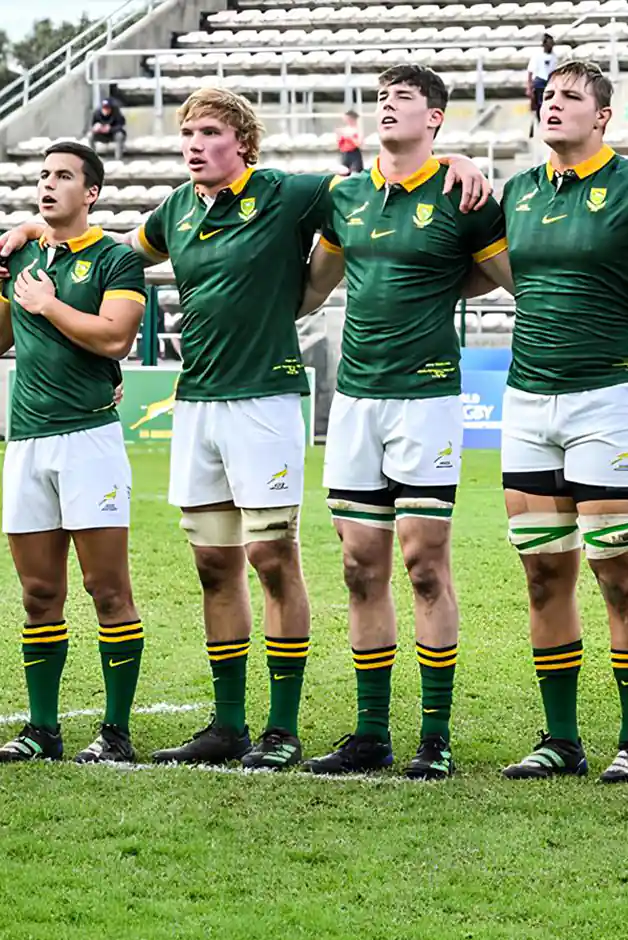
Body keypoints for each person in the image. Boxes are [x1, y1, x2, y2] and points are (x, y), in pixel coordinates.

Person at [0, 89, 487, 768]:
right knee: (211, 563)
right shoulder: (173, 210)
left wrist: (452, 160)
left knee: (271, 557)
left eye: (208, 133)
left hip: (265, 399)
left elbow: (380, 189)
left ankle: (281, 730)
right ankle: (227, 726)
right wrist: (31, 232)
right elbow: (107, 254)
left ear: (244, 144)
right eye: (187, 133)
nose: (193, 144)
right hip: (197, 400)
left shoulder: (289, 194)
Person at [298, 64, 510, 780]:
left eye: (405, 99)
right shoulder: (345, 197)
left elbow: (506, 273)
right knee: (360, 566)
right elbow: (310, 289)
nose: (388, 107)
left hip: (426, 396)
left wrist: (470, 170)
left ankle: (435, 736)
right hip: (355, 401)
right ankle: (368, 735)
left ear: (438, 119)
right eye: (382, 98)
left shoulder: (462, 196)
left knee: (423, 564)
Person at [491, 60, 628, 782]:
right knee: (542, 575)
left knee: (618, 573)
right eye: (547, 96)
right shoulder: (518, 191)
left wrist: (600, 321)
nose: (552, 105)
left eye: (569, 97)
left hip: (610, 401)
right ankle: (560, 739)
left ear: (604, 117)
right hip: (528, 402)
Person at [0, 143, 147, 766]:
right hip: (27, 440)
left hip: (89, 438)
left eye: (64, 176)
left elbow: (116, 336)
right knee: (38, 593)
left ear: (91, 193)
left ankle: (115, 732)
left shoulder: (116, 258)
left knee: (107, 588)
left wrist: (48, 304)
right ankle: (43, 729)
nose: (49, 185)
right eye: (43, 175)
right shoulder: (22, 256)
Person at [526, 33, 557, 137]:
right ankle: (540, 124)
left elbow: (554, 71)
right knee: (538, 105)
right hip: (539, 82)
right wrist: (529, 87)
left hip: (549, 82)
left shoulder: (554, 57)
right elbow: (530, 72)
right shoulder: (537, 56)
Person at [336, 109, 364, 174]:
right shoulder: (344, 130)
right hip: (345, 154)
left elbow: (359, 143)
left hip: (354, 154)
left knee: (355, 174)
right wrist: (339, 137)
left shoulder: (357, 130)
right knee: (343, 174)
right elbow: (339, 145)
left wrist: (349, 137)